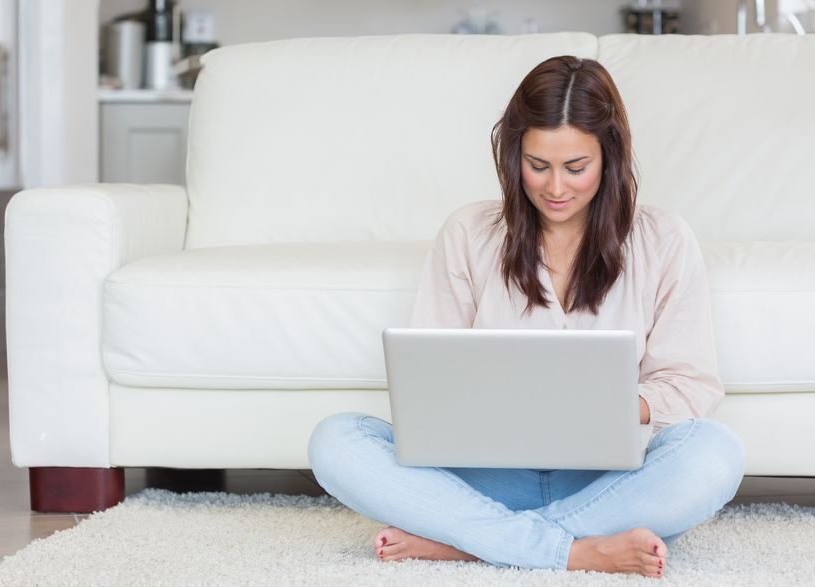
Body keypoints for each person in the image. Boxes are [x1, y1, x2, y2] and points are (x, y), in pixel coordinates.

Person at [307, 56, 745, 579]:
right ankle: (575, 548)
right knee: (335, 441)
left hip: (605, 479)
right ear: (512, 154)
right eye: (538, 165)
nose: (556, 188)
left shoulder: (664, 239)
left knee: (715, 453)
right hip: (485, 475)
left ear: (611, 157)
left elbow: (691, 384)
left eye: (576, 167)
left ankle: (474, 542)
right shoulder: (468, 233)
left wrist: (615, 405)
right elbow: (429, 378)